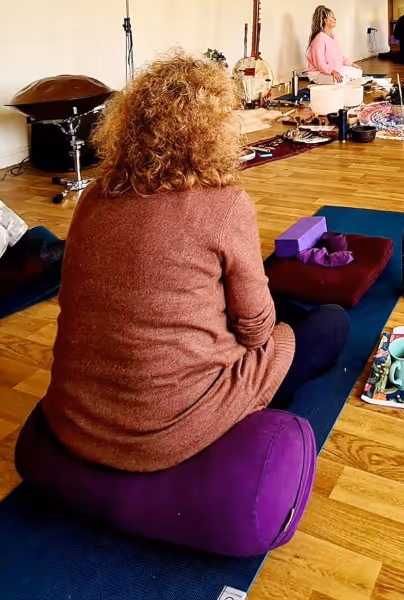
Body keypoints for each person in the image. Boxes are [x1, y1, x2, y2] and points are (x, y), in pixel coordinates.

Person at [41, 52, 350, 473]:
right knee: (330, 323)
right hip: (166, 429)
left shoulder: (93, 197)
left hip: (74, 417)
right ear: (212, 132)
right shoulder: (224, 205)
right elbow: (257, 330)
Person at [307, 6, 364, 83]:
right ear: (326, 21)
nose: (335, 19)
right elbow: (319, 64)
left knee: (358, 72)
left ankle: (345, 79)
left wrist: (351, 64)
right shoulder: (319, 38)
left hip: (335, 70)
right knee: (337, 81)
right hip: (319, 73)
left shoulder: (333, 35)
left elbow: (339, 56)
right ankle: (344, 80)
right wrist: (332, 72)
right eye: (333, 17)